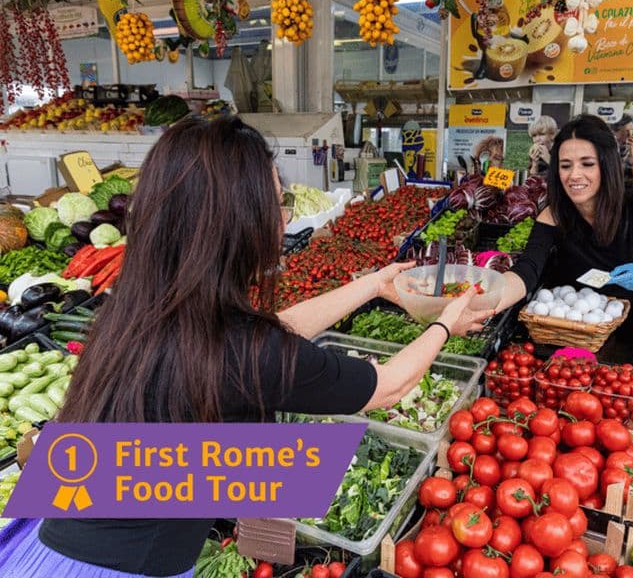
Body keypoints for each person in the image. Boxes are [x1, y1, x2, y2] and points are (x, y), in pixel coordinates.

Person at [0, 117, 493, 577]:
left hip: (49, 540)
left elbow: (275, 333)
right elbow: (387, 386)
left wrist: (373, 285)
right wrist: (447, 322)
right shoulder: (235, 346)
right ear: (235, 222)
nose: (283, 220)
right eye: (277, 205)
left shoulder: (140, 307)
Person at [496, 114, 633, 340]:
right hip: (568, 329)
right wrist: (489, 299)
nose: (574, 175)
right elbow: (527, 270)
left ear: (606, 165)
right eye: (566, 166)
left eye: (587, 164)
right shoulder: (554, 214)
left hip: (630, 327)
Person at [611, 114, 633, 183]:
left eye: (631, 129)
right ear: (615, 132)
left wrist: (632, 153)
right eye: (626, 131)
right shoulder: (609, 145)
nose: (630, 134)